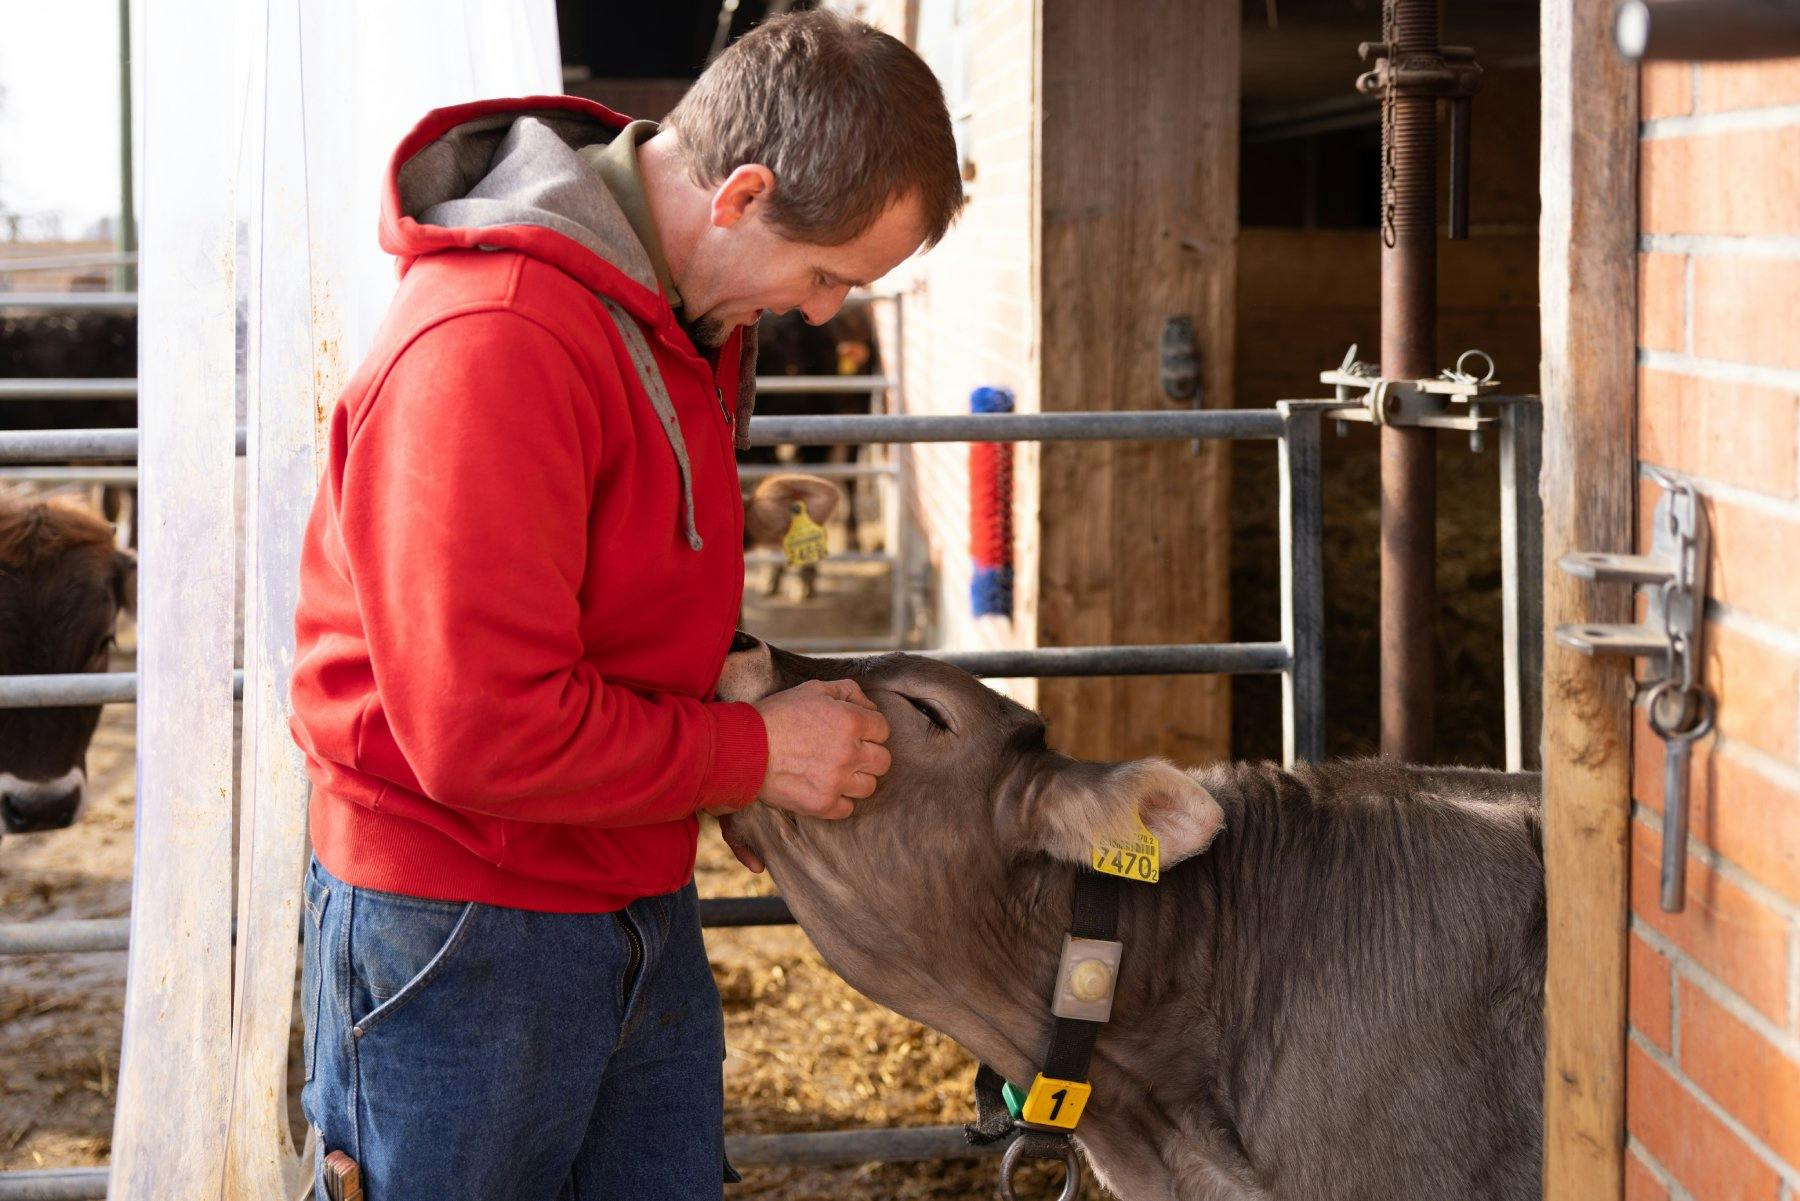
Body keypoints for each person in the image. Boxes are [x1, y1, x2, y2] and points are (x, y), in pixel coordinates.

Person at [286, 12, 963, 1199]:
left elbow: (570, 560)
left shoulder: (670, 307)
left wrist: (717, 524)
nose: (819, 313)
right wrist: (753, 754)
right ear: (743, 194)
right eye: (823, 276)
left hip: (628, 881)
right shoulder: (495, 340)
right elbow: (483, 727)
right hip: (464, 920)